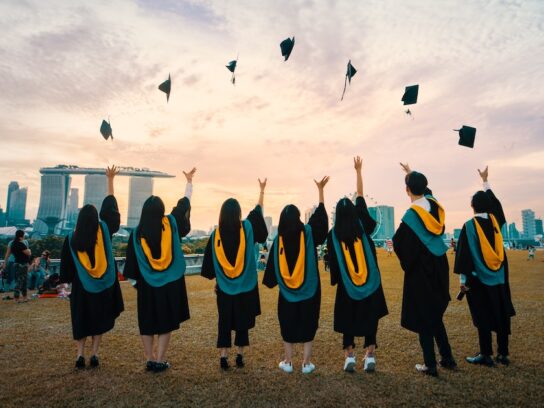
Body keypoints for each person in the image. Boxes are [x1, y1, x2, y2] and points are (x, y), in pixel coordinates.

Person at [124, 167, 196, 373]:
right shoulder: (171, 223)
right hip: (169, 284)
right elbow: (183, 206)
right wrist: (189, 183)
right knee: (165, 322)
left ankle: (149, 358)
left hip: (146, 284)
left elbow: (130, 266)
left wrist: (137, 283)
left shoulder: (137, 234)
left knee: (147, 322)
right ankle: (161, 359)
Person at [392, 163, 456, 377]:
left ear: (406, 190)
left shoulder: (411, 217)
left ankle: (430, 365)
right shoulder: (435, 206)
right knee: (435, 314)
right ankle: (447, 357)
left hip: (421, 269)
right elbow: (426, 192)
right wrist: (411, 174)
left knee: (423, 316)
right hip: (439, 263)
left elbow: (399, 243)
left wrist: (408, 263)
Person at [327, 157, 388, 373]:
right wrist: (359, 171)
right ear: (353, 212)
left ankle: (349, 356)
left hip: (347, 285)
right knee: (370, 316)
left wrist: (336, 278)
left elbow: (332, 262)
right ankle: (370, 355)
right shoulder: (362, 225)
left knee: (348, 319)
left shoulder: (333, 235)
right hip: (370, 282)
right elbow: (361, 196)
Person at [60, 165, 124, 369]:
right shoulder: (103, 230)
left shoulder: (71, 238)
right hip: (103, 285)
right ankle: (94, 354)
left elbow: (66, 269)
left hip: (81, 287)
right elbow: (111, 211)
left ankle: (80, 355)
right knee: (99, 319)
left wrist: (69, 283)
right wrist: (111, 180)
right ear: (96, 219)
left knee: (82, 320)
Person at [263, 176, 329, 374]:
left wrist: (273, 281)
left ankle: (288, 361)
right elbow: (321, 222)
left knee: (288, 324)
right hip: (310, 289)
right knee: (309, 323)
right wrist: (321, 192)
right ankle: (306, 363)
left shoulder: (278, 240)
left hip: (287, 294)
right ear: (299, 218)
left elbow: (271, 271)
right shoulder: (308, 232)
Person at [201, 179, 268, 370]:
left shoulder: (216, 236)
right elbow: (258, 213)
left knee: (224, 321)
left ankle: (223, 357)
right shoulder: (247, 228)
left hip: (224, 289)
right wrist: (261, 191)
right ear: (238, 213)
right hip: (245, 287)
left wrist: (219, 280)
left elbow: (209, 265)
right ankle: (239, 356)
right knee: (242, 322)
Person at [454, 166, 516, 366]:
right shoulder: (496, 222)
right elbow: (496, 206)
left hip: (478, 279)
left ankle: (486, 354)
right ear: (489, 207)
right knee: (501, 312)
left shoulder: (469, 226)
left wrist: (463, 281)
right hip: (499, 278)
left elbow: (464, 257)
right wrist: (486, 181)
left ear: (471, 206)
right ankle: (503, 353)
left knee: (482, 314)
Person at [2, 230, 31, 303]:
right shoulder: (21, 243)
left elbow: (7, 253)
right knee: (21, 281)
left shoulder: (12, 243)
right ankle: (17, 297)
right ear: (22, 235)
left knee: (19, 280)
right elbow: (28, 253)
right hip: (22, 264)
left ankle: (23, 297)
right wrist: (29, 250)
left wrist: (4, 263)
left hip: (16, 263)